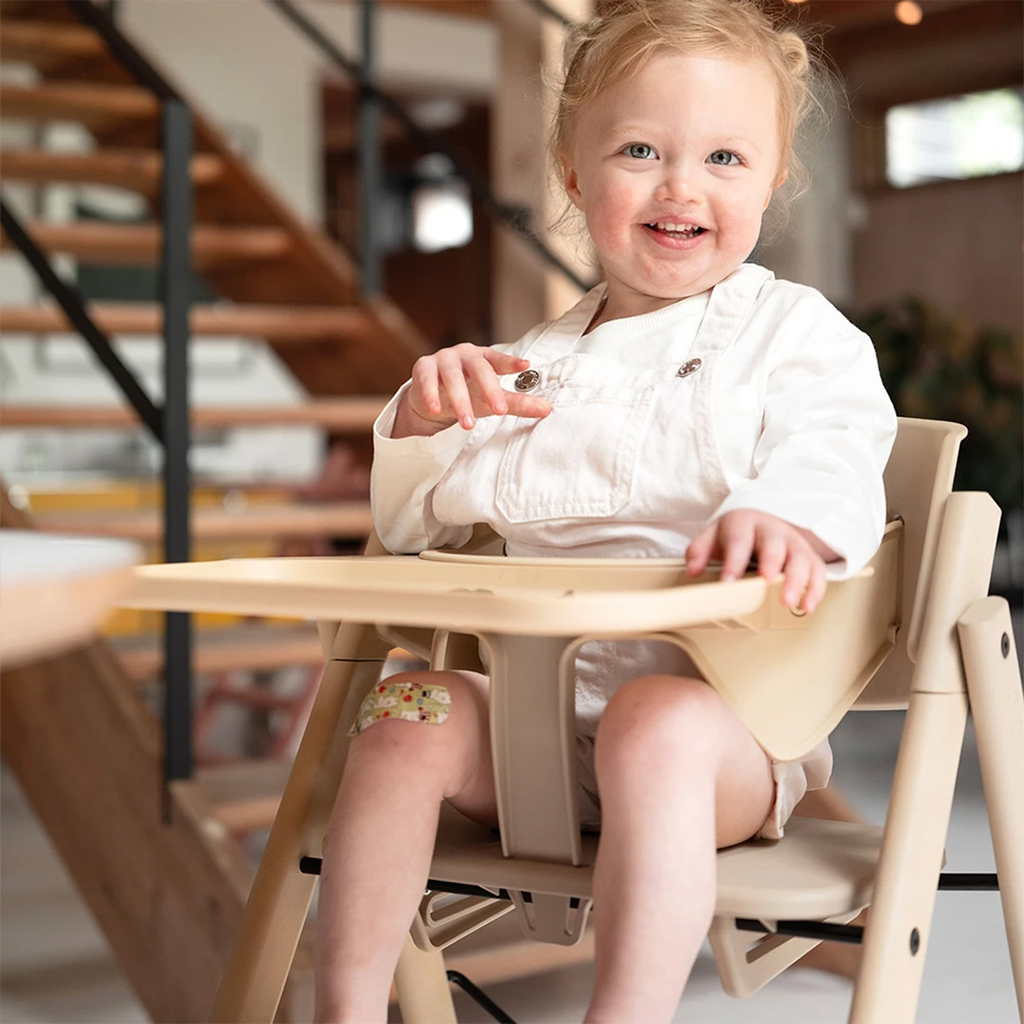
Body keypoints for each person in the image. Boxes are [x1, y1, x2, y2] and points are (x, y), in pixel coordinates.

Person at [315, 0, 897, 1020]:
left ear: (770, 181)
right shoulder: (529, 364)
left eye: (724, 157)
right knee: (406, 710)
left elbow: (840, 442)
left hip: (721, 742)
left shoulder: (797, 338)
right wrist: (423, 421)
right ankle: (349, 1007)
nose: (681, 186)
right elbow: (416, 527)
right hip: (536, 741)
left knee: (652, 719)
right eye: (640, 149)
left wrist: (786, 514)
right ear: (575, 174)